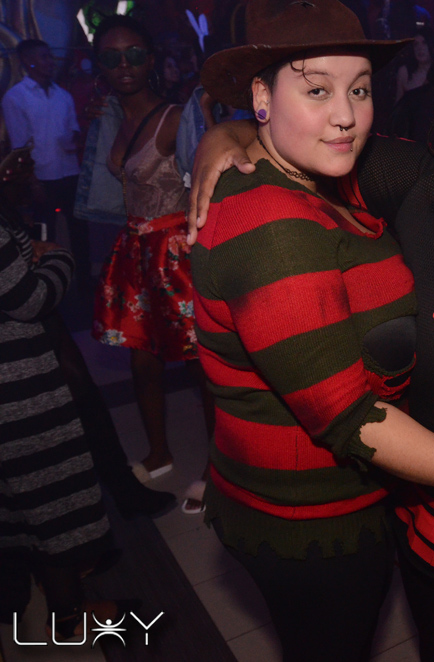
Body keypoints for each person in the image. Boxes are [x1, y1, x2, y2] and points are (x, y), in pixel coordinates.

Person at [194, 2, 434, 659]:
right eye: (317, 90)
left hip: (318, 499)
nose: (346, 115)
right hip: (308, 520)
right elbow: (351, 419)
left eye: (360, 90)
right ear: (261, 97)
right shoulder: (274, 227)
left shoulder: (320, 179)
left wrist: (232, 132)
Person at [0, 149, 127, 638]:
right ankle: (70, 616)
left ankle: (54, 601)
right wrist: (58, 257)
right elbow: (30, 299)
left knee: (27, 501)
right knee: (51, 499)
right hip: (17, 385)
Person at [84, 15, 214, 489]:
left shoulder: (175, 117)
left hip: (176, 253)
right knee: (141, 360)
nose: (125, 65)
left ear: (151, 59)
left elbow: (213, 180)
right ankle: (159, 452)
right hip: (135, 250)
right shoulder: (110, 120)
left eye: (135, 54)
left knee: (202, 365)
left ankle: (218, 469)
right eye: (112, 56)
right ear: (100, 65)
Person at [2, 39, 91, 293]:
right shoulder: (15, 97)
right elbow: (20, 147)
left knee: (79, 231)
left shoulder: (63, 95)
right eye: (43, 57)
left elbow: (73, 129)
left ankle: (85, 284)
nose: (50, 62)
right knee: (44, 235)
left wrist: (76, 136)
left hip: (69, 172)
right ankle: (45, 289)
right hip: (41, 177)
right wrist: (33, 183)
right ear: (28, 61)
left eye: (50, 56)